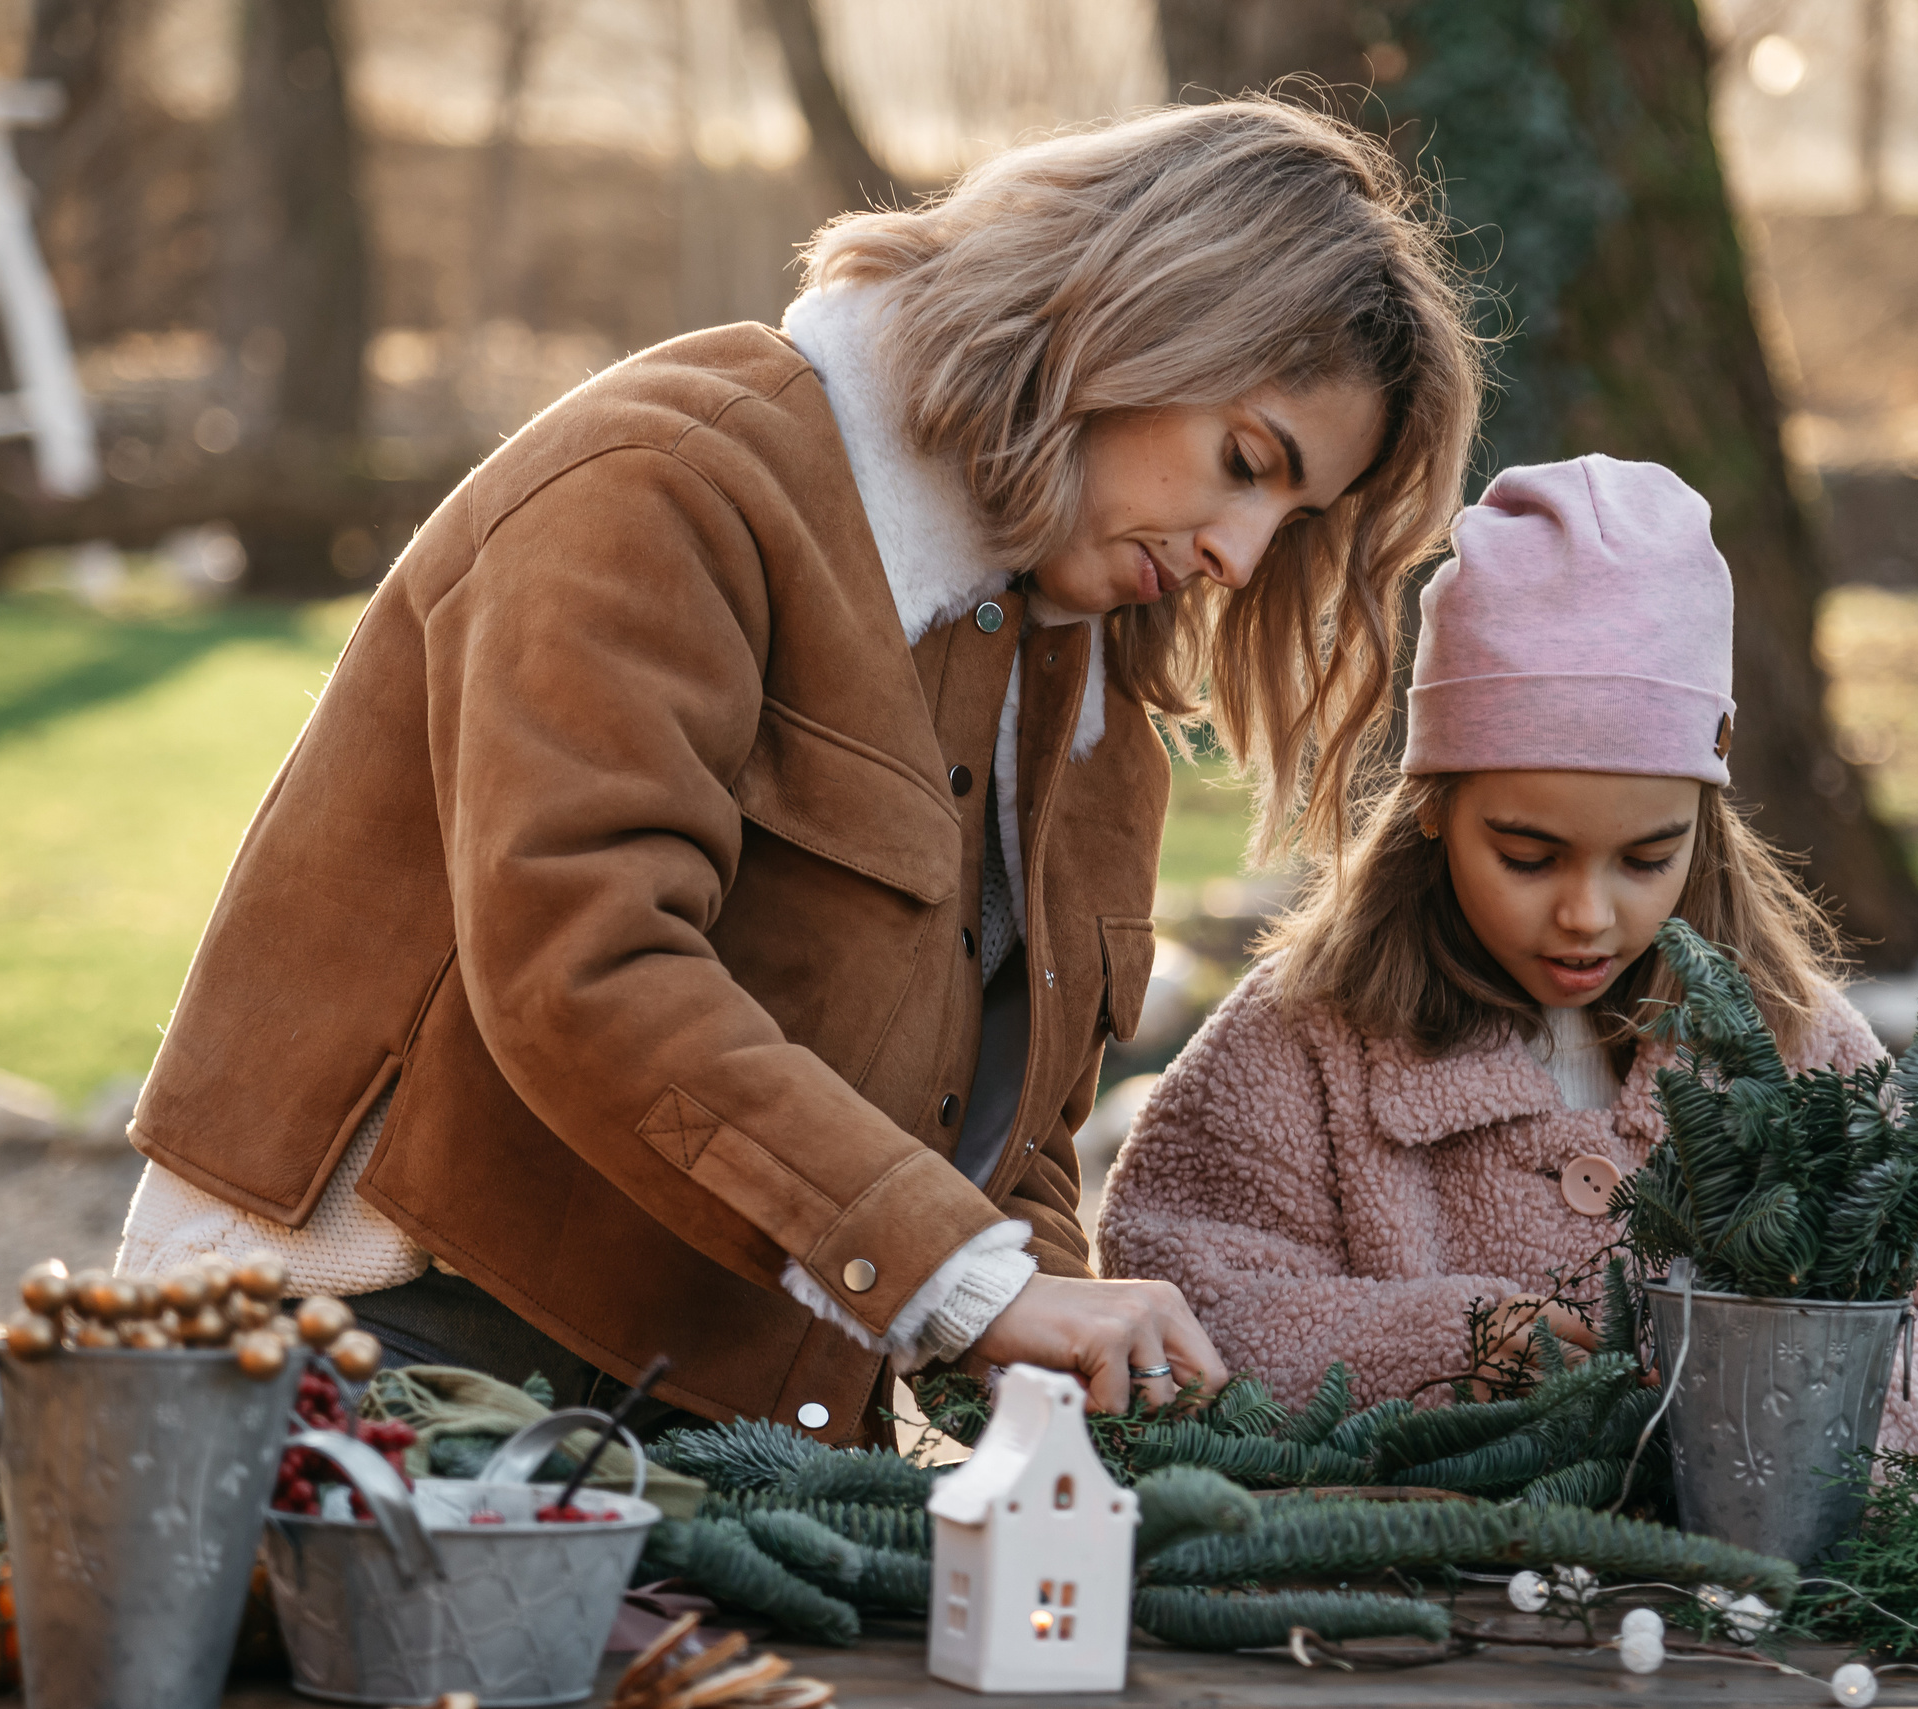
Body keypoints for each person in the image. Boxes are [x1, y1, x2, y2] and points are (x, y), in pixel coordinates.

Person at [110, 99, 1483, 1438]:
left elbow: (1010, 1141)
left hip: (735, 1419)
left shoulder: (1092, 708)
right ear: (1125, 317)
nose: (1240, 556)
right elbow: (586, 970)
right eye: (1244, 461)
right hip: (379, 1347)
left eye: (1288, 516)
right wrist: (969, 1286)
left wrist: (1064, 1346)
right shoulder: (667, 481)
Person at [1097, 455, 1918, 1454]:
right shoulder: (1306, 1038)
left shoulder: (1797, 1048)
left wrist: (1752, 1372)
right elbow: (1177, 1303)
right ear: (1433, 805)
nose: (1586, 913)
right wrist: (1453, 1344)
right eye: (1527, 856)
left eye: (1646, 857)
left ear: (1703, 829)